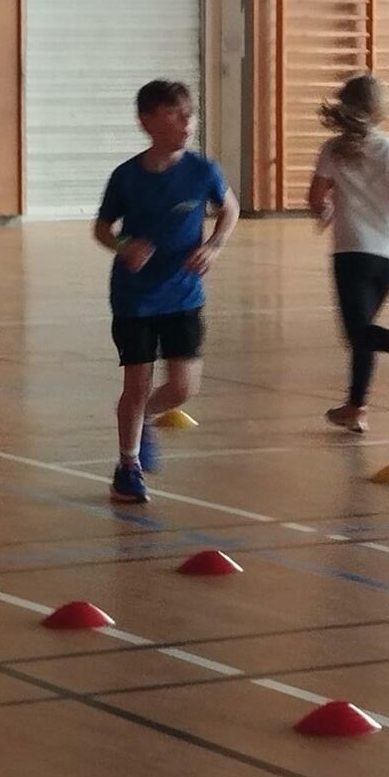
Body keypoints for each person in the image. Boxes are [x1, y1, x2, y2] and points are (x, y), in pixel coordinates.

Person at [95, 80, 239, 503]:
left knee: (183, 388)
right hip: (135, 297)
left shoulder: (203, 171)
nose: (187, 122)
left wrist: (214, 245)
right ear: (147, 121)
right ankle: (128, 468)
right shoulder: (126, 177)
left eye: (190, 114)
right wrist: (124, 245)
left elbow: (229, 209)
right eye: (175, 114)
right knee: (137, 384)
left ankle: (143, 420)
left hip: (184, 294)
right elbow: (102, 228)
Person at [308, 74, 389, 433]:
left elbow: (315, 199)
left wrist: (325, 212)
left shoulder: (333, 150)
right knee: (363, 330)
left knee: (357, 333)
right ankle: (355, 408)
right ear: (381, 110)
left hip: (351, 250)